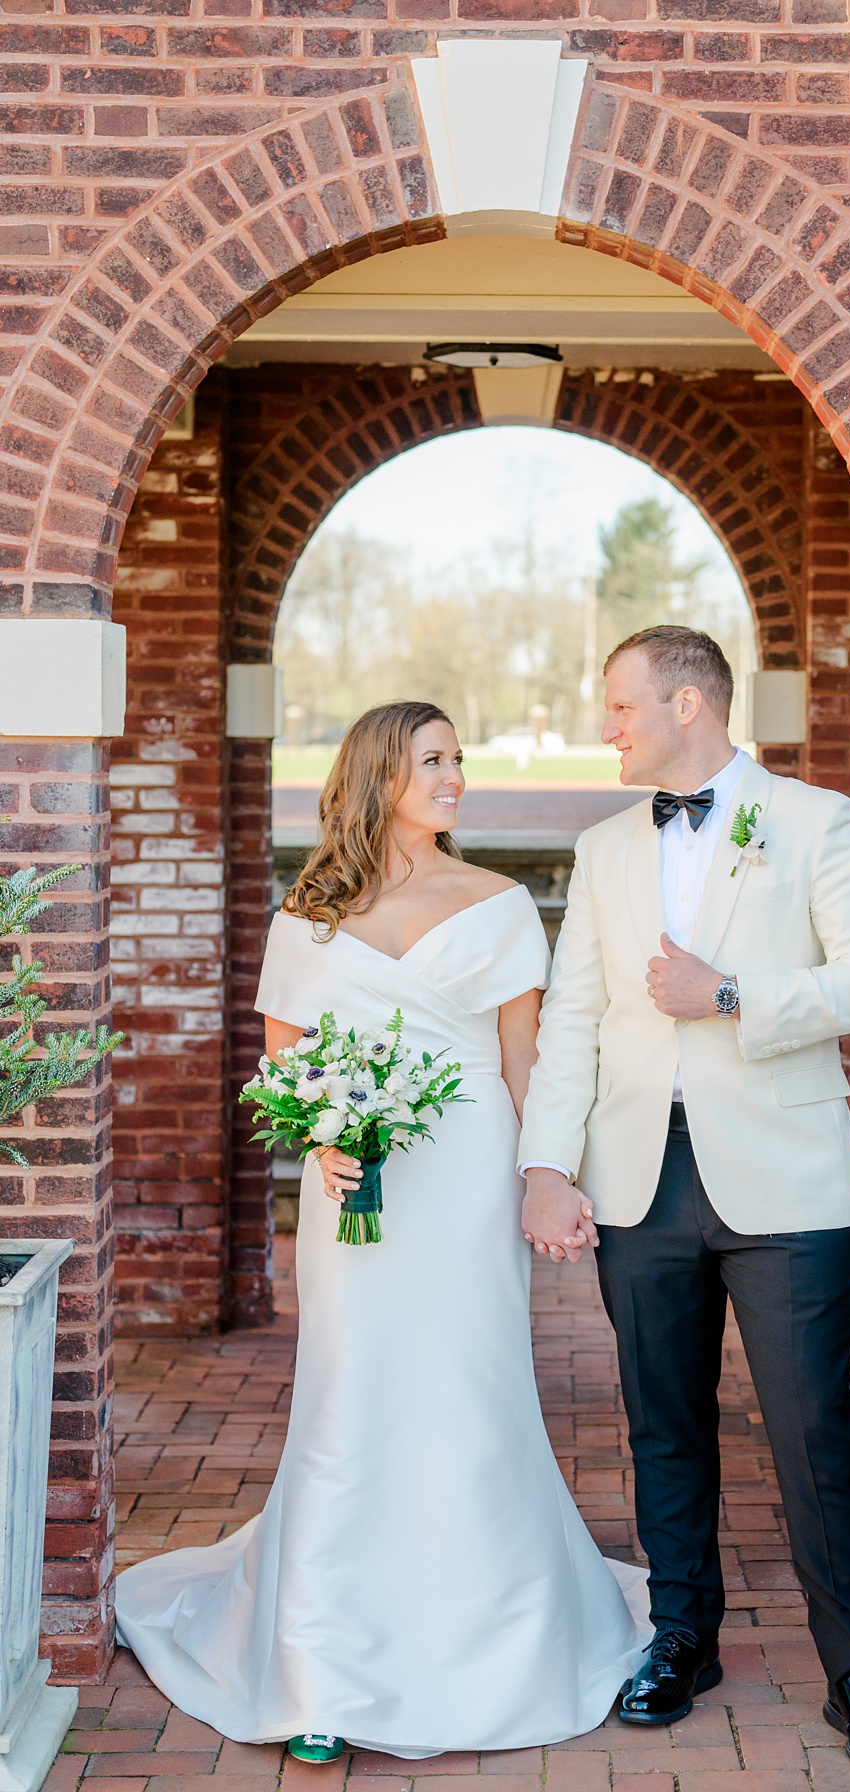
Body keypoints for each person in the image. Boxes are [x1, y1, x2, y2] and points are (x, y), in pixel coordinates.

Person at [114, 701, 651, 1765]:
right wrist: (320, 1143)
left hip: (462, 1189)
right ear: (377, 774)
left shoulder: (499, 905)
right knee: (352, 1398)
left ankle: (494, 1640)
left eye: (458, 756)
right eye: (434, 759)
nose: (456, 775)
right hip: (352, 1190)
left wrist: (543, 1180)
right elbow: (284, 1061)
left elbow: (524, 1065)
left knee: (467, 1387)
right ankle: (321, 1667)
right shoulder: (306, 915)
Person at [516, 626, 850, 1775]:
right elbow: (576, 1021)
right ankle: (680, 1634)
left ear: (690, 701)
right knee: (663, 1423)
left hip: (784, 1183)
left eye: (621, 706)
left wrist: (730, 991)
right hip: (638, 1179)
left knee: (813, 1429)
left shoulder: (813, 820)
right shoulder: (601, 849)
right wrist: (550, 1162)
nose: (608, 727)